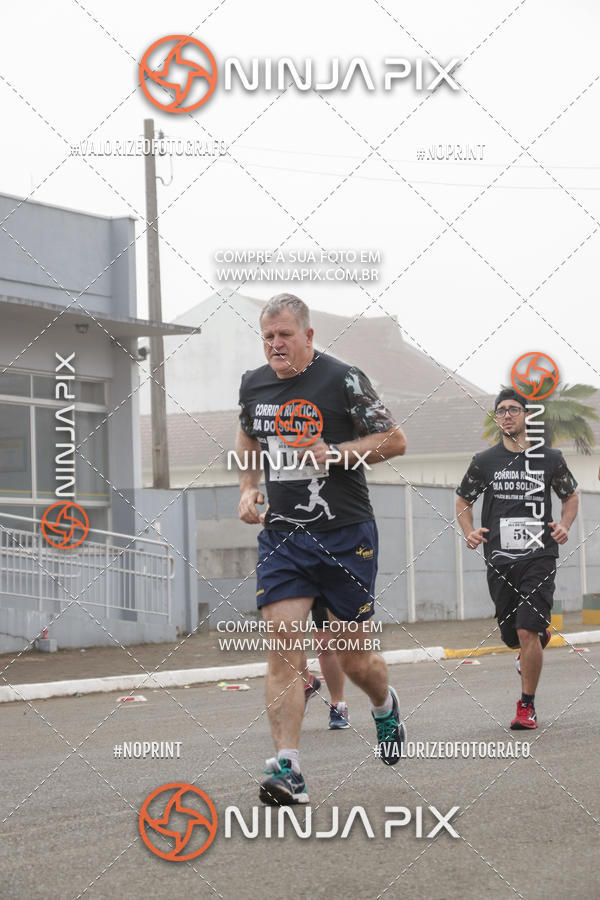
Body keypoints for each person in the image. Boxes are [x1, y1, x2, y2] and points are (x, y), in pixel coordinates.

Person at [237, 293, 408, 805]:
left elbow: (395, 440)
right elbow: (248, 434)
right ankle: (287, 768)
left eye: (284, 335)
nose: (275, 344)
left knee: (356, 661)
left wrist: (335, 452)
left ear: (307, 336)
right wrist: (248, 488)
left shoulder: (343, 379)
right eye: (268, 336)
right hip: (284, 536)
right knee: (284, 644)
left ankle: (383, 704)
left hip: (345, 535)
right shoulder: (254, 384)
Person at [455, 387, 578, 730]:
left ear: (526, 416)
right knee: (513, 636)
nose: (507, 415)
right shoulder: (484, 461)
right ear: (497, 418)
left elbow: (570, 498)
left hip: (539, 555)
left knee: (526, 626)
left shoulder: (549, 458)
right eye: (501, 411)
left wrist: (564, 526)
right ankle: (534, 641)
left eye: (513, 409)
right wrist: (469, 531)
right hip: (500, 556)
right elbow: (463, 500)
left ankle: (527, 705)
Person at [304, 598, 350, 730]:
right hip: (289, 577)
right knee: (284, 632)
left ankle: (338, 704)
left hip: (326, 578)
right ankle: (306, 683)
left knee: (324, 641)